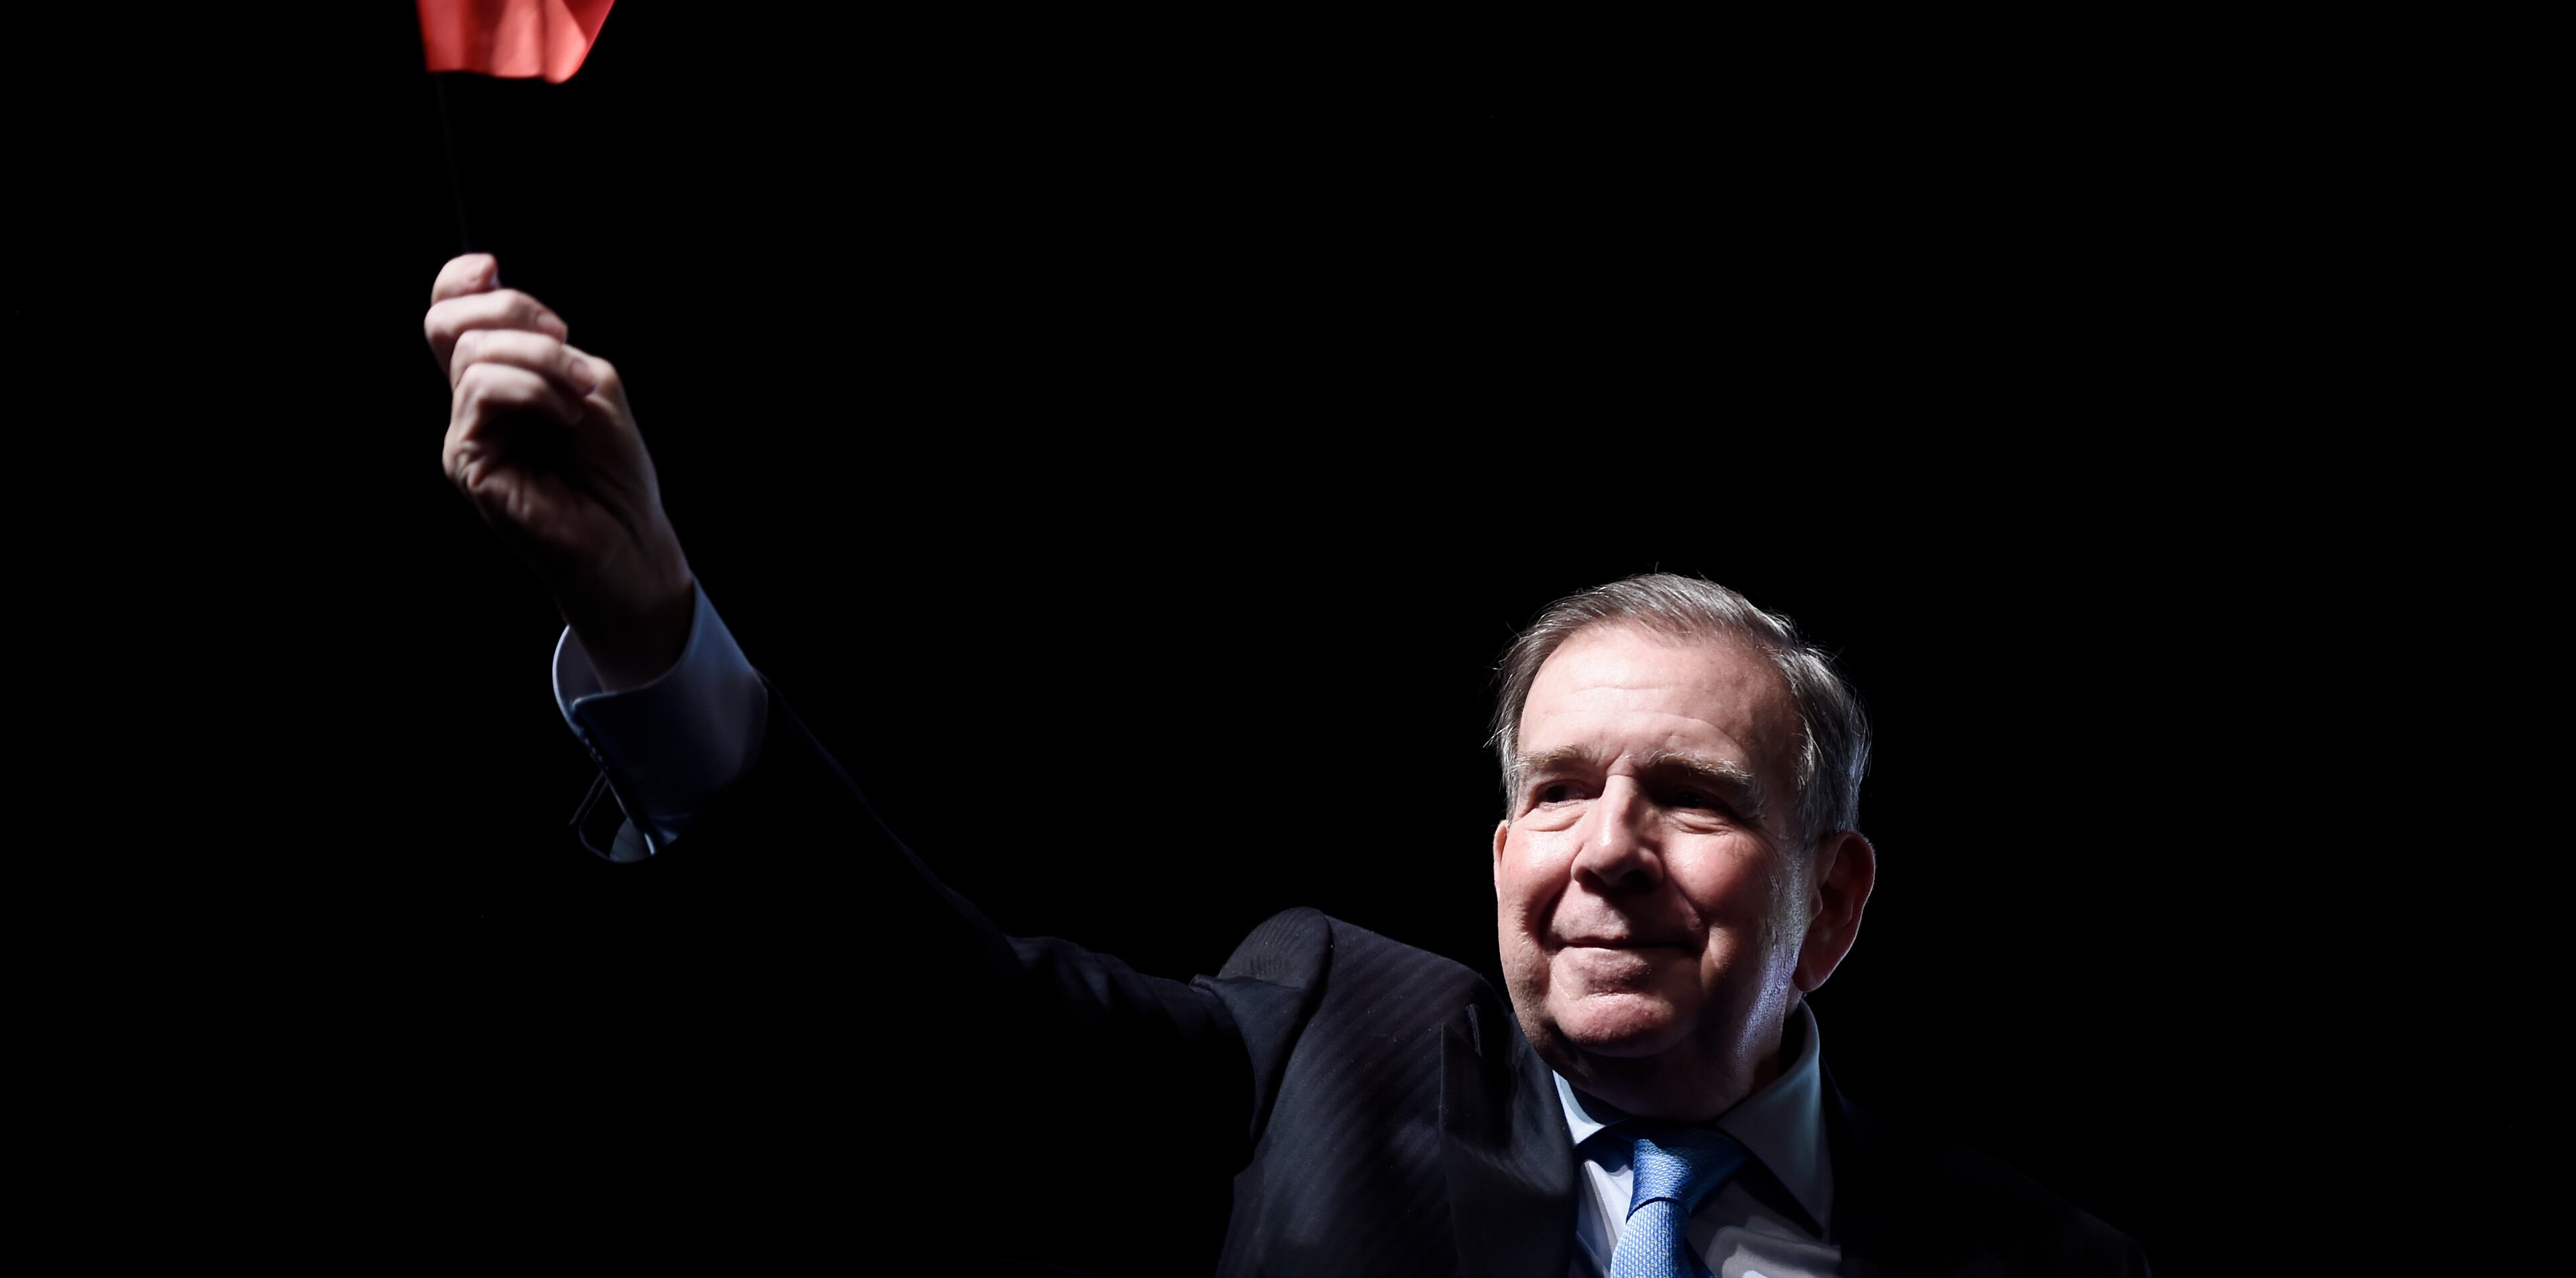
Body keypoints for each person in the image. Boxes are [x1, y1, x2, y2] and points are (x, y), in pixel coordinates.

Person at [428, 253, 2152, 1275]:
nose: (1606, 847)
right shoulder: (1329, 1036)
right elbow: (929, 1018)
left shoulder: (2038, 1260)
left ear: (1831, 901)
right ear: (1502, 859)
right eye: (1557, 791)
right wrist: (654, 630)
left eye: (1689, 797)